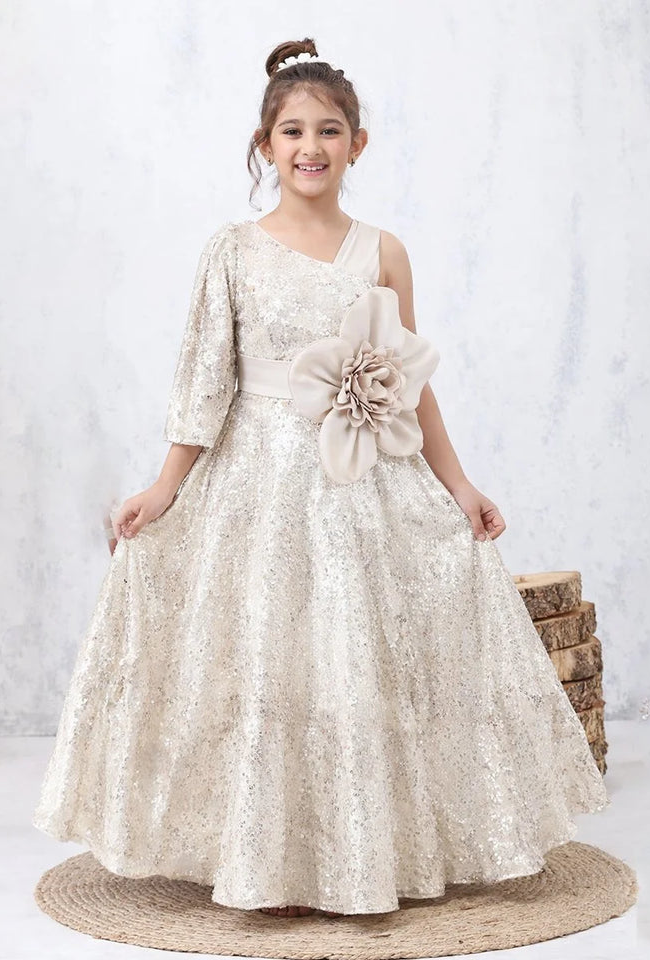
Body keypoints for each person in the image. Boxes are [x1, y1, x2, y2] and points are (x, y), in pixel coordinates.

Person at [33, 37, 610, 921]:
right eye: (293, 130)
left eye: (330, 130)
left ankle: (361, 849)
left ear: (358, 145)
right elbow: (203, 387)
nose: (311, 146)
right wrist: (164, 487)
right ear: (265, 145)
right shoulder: (231, 251)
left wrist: (461, 487)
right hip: (252, 485)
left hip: (356, 484)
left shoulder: (383, 252)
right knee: (264, 656)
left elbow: (408, 383)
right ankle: (260, 852)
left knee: (353, 659)